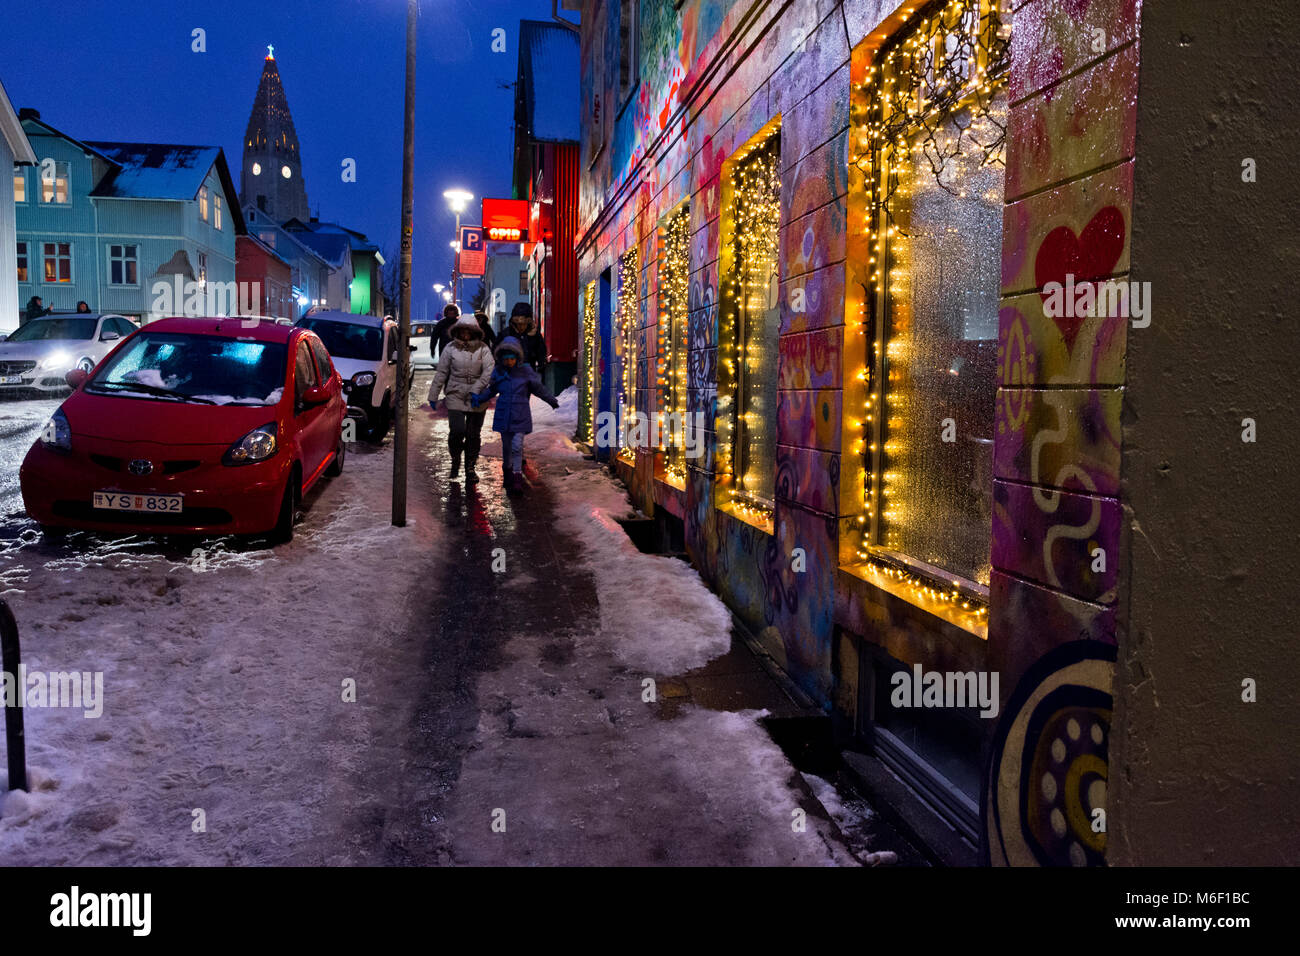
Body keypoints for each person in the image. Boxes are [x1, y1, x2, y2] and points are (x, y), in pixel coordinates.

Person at [471, 336, 559, 495]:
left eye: (512, 358)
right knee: (506, 448)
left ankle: (517, 477)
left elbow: (538, 388)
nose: (509, 362)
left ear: (517, 357)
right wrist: (479, 398)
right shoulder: (499, 373)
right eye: (506, 359)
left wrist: (551, 400)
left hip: (520, 415)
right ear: (501, 359)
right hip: (504, 416)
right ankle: (508, 474)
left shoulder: (525, 372)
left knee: (517, 447)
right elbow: (492, 390)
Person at [427, 311, 493, 482]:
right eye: (462, 331)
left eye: (468, 331)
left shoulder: (483, 349)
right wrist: (433, 395)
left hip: (477, 397)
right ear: (457, 331)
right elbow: (442, 372)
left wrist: (477, 389)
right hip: (455, 393)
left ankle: (470, 467)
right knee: (457, 431)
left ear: (474, 332)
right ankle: (455, 457)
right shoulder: (450, 349)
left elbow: (489, 371)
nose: (465, 334)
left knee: (473, 434)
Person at [506, 302, 547, 375]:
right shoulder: (506, 334)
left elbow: (541, 354)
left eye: (524, 324)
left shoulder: (535, 335)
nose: (521, 327)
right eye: (518, 324)